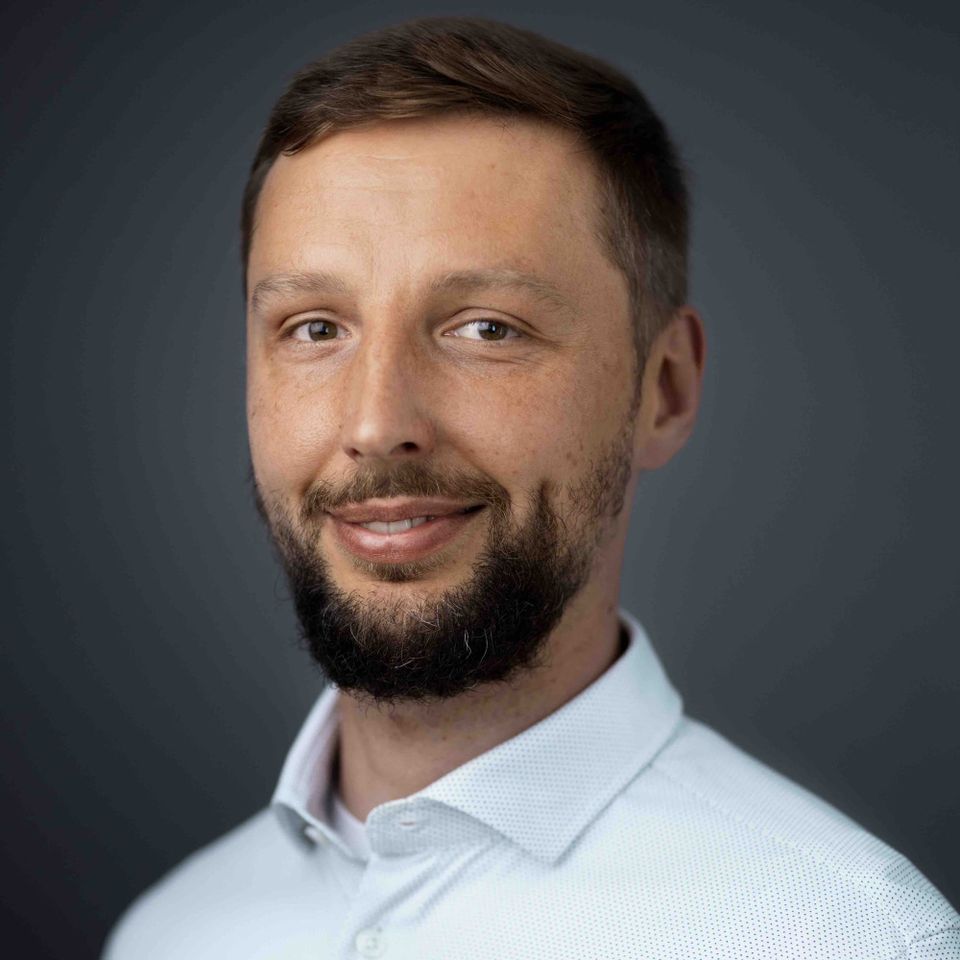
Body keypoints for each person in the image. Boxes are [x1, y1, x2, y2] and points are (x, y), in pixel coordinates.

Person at [103, 16, 959, 960]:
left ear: (663, 391)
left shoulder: (855, 939)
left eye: (486, 329)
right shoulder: (168, 933)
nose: (375, 423)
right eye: (314, 328)